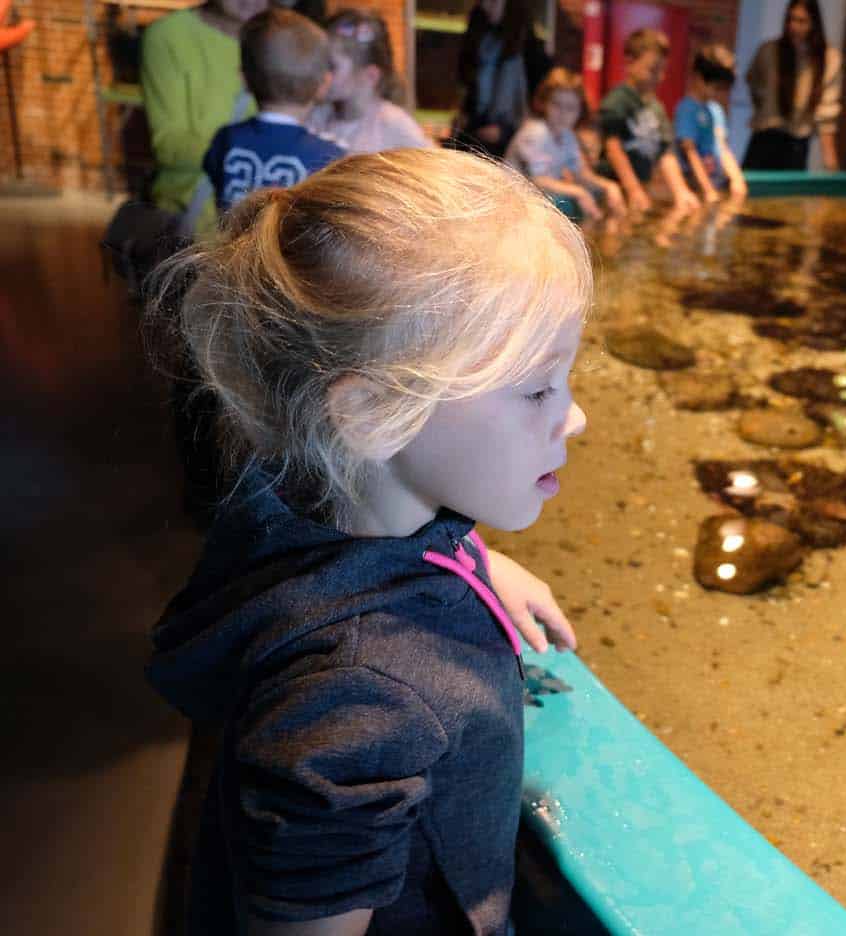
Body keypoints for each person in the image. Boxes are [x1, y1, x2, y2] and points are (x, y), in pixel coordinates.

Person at [145, 147, 590, 934]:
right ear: (373, 414)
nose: (575, 417)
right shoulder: (355, 700)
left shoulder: (297, 497)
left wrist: (476, 561)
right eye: (536, 389)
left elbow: (366, 554)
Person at [202, 8, 344, 214]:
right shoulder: (330, 156)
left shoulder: (225, 139)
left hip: (228, 245)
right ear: (324, 84)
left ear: (244, 80)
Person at [140, 0, 267, 230]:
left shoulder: (287, 39)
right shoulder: (169, 36)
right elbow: (169, 147)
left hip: (264, 227)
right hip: (192, 225)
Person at [596, 28, 699, 214]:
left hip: (642, 186)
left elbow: (665, 153)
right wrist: (633, 189)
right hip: (615, 188)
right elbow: (614, 148)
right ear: (630, 62)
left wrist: (681, 191)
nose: (659, 77)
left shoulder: (656, 107)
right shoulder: (617, 100)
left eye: (662, 70)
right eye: (652, 70)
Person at [505, 67, 624, 220]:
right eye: (556, 104)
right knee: (568, 203)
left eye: (570, 108)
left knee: (593, 196)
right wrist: (578, 191)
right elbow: (538, 180)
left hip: (539, 197)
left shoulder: (567, 136)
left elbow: (581, 174)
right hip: (515, 201)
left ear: (579, 111)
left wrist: (609, 186)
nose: (563, 113)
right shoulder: (535, 132)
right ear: (544, 102)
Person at [309, 8, 431, 153]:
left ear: (370, 76)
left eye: (331, 66)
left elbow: (436, 167)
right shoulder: (317, 115)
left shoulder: (393, 124)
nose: (321, 73)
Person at [743, 0, 842, 172]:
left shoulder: (829, 58)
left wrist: (830, 163)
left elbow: (827, 113)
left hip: (797, 144)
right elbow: (754, 85)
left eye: (801, 21)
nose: (793, 26)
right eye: (790, 19)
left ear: (814, 23)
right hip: (764, 138)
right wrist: (766, 111)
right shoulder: (769, 51)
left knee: (789, 198)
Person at [450, 0, 551, 158]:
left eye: (494, 1)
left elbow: (535, 99)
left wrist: (506, 130)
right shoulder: (478, 34)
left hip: (512, 133)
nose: (487, 6)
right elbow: (467, 83)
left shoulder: (528, 46)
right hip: (476, 126)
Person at [674, 44, 748, 202]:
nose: (719, 93)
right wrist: (707, 189)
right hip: (693, 185)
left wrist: (736, 178)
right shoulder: (687, 109)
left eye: (723, 89)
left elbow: (723, 148)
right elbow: (689, 151)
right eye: (716, 88)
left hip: (715, 183)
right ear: (699, 78)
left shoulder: (716, 110)